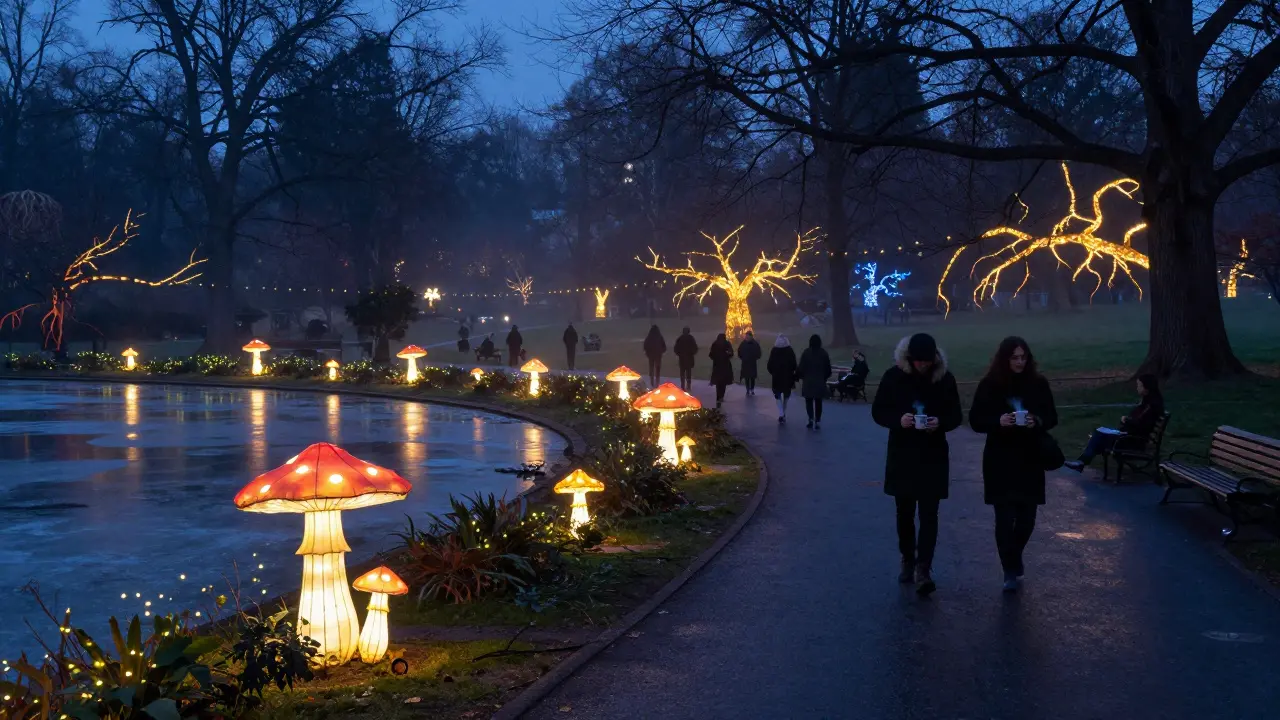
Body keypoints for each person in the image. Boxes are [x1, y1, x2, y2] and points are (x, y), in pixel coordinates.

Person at [871, 333, 963, 596]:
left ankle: (924, 567)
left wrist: (940, 423)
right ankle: (907, 557)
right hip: (903, 453)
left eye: (927, 362)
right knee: (904, 512)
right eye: (918, 362)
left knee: (930, 513)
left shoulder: (944, 378)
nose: (923, 366)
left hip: (932, 454)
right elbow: (878, 411)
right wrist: (898, 420)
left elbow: (955, 414)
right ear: (910, 358)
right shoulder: (894, 376)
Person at [969, 337, 1058, 592]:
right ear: (1004, 359)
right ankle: (1008, 568)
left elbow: (1052, 416)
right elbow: (975, 419)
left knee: (1027, 519)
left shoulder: (1038, 384)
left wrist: (1036, 421)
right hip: (1000, 459)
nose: (1019, 362)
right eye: (1014, 358)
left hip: (1030, 457)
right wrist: (998, 421)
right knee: (1004, 517)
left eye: (1023, 357)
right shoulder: (990, 385)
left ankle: (1014, 554)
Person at [1064, 374, 1165, 472]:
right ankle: (1081, 462)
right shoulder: (1147, 403)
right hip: (1129, 437)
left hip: (1133, 441)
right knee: (1099, 434)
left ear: (1147, 389)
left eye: (1139, 385)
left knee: (1098, 436)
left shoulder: (1151, 406)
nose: (1137, 388)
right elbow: (1138, 421)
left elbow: (1142, 425)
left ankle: (1081, 463)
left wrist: (1126, 421)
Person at [796, 334, 832, 429]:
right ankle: (817, 420)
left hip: (808, 381)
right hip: (820, 381)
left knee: (808, 401)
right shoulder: (823, 353)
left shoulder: (806, 353)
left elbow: (801, 368)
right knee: (818, 401)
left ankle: (810, 418)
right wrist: (824, 378)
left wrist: (801, 376)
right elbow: (828, 369)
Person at [767, 334, 797, 424]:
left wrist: (773, 372)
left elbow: (769, 365)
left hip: (777, 377)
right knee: (786, 396)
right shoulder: (790, 350)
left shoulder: (774, 350)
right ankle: (783, 413)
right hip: (788, 377)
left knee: (777, 396)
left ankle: (781, 413)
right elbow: (794, 364)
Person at [708, 333, 735, 407]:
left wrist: (715, 358)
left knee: (718, 382)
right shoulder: (727, 344)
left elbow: (710, 354)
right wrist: (727, 356)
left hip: (717, 365)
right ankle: (721, 396)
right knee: (723, 382)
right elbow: (731, 353)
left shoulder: (715, 344)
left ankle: (718, 396)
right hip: (725, 365)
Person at [737, 331, 762, 396]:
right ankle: (747, 389)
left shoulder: (755, 344)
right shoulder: (743, 343)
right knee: (746, 377)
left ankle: (752, 389)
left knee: (752, 377)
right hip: (745, 364)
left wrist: (754, 358)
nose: (747, 337)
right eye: (746, 336)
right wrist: (742, 358)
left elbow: (759, 353)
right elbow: (739, 352)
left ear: (751, 336)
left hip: (752, 364)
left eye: (748, 336)